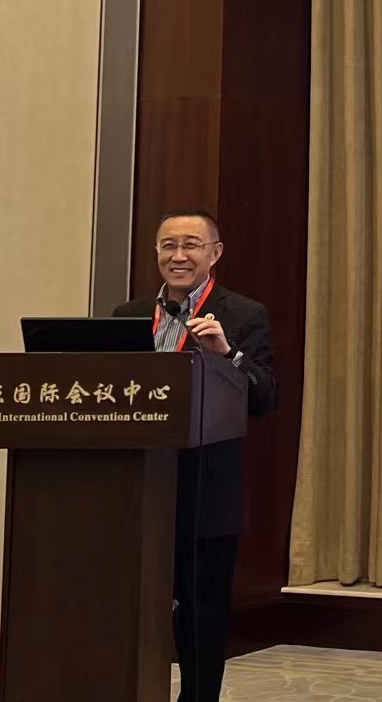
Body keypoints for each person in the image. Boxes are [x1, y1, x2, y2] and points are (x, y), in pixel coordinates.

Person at [114, 210, 277, 702]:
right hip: (138, 487)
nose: (178, 256)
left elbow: (265, 397)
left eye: (191, 245)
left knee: (201, 611)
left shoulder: (242, 314)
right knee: (133, 605)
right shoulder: (128, 315)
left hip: (207, 487)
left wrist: (227, 354)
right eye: (168, 245)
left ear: (214, 253)